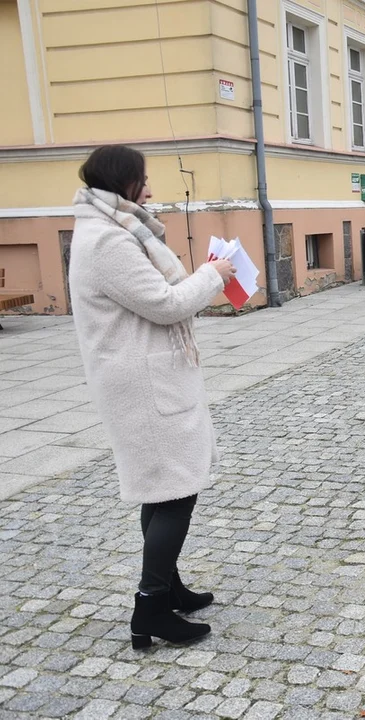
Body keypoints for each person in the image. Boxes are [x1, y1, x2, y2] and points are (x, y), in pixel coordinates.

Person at [68, 145, 237, 650]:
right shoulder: (107, 241)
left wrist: (204, 277)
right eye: (143, 180)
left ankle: (169, 589)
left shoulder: (112, 230)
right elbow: (164, 305)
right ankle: (150, 608)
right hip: (142, 383)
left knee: (162, 489)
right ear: (123, 182)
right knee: (176, 492)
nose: (150, 189)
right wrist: (213, 276)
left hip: (145, 375)